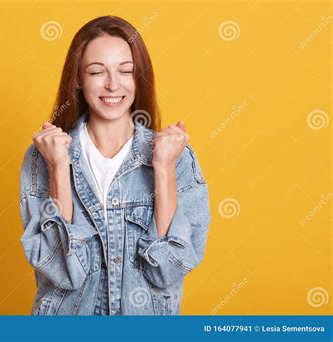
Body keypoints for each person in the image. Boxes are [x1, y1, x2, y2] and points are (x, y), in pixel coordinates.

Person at [19, 15, 211, 315]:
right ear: (79, 79)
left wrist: (163, 170)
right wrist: (59, 168)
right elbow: (62, 269)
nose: (112, 85)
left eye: (126, 71)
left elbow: (168, 268)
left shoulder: (177, 156)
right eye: (97, 72)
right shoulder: (43, 156)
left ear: (140, 77)